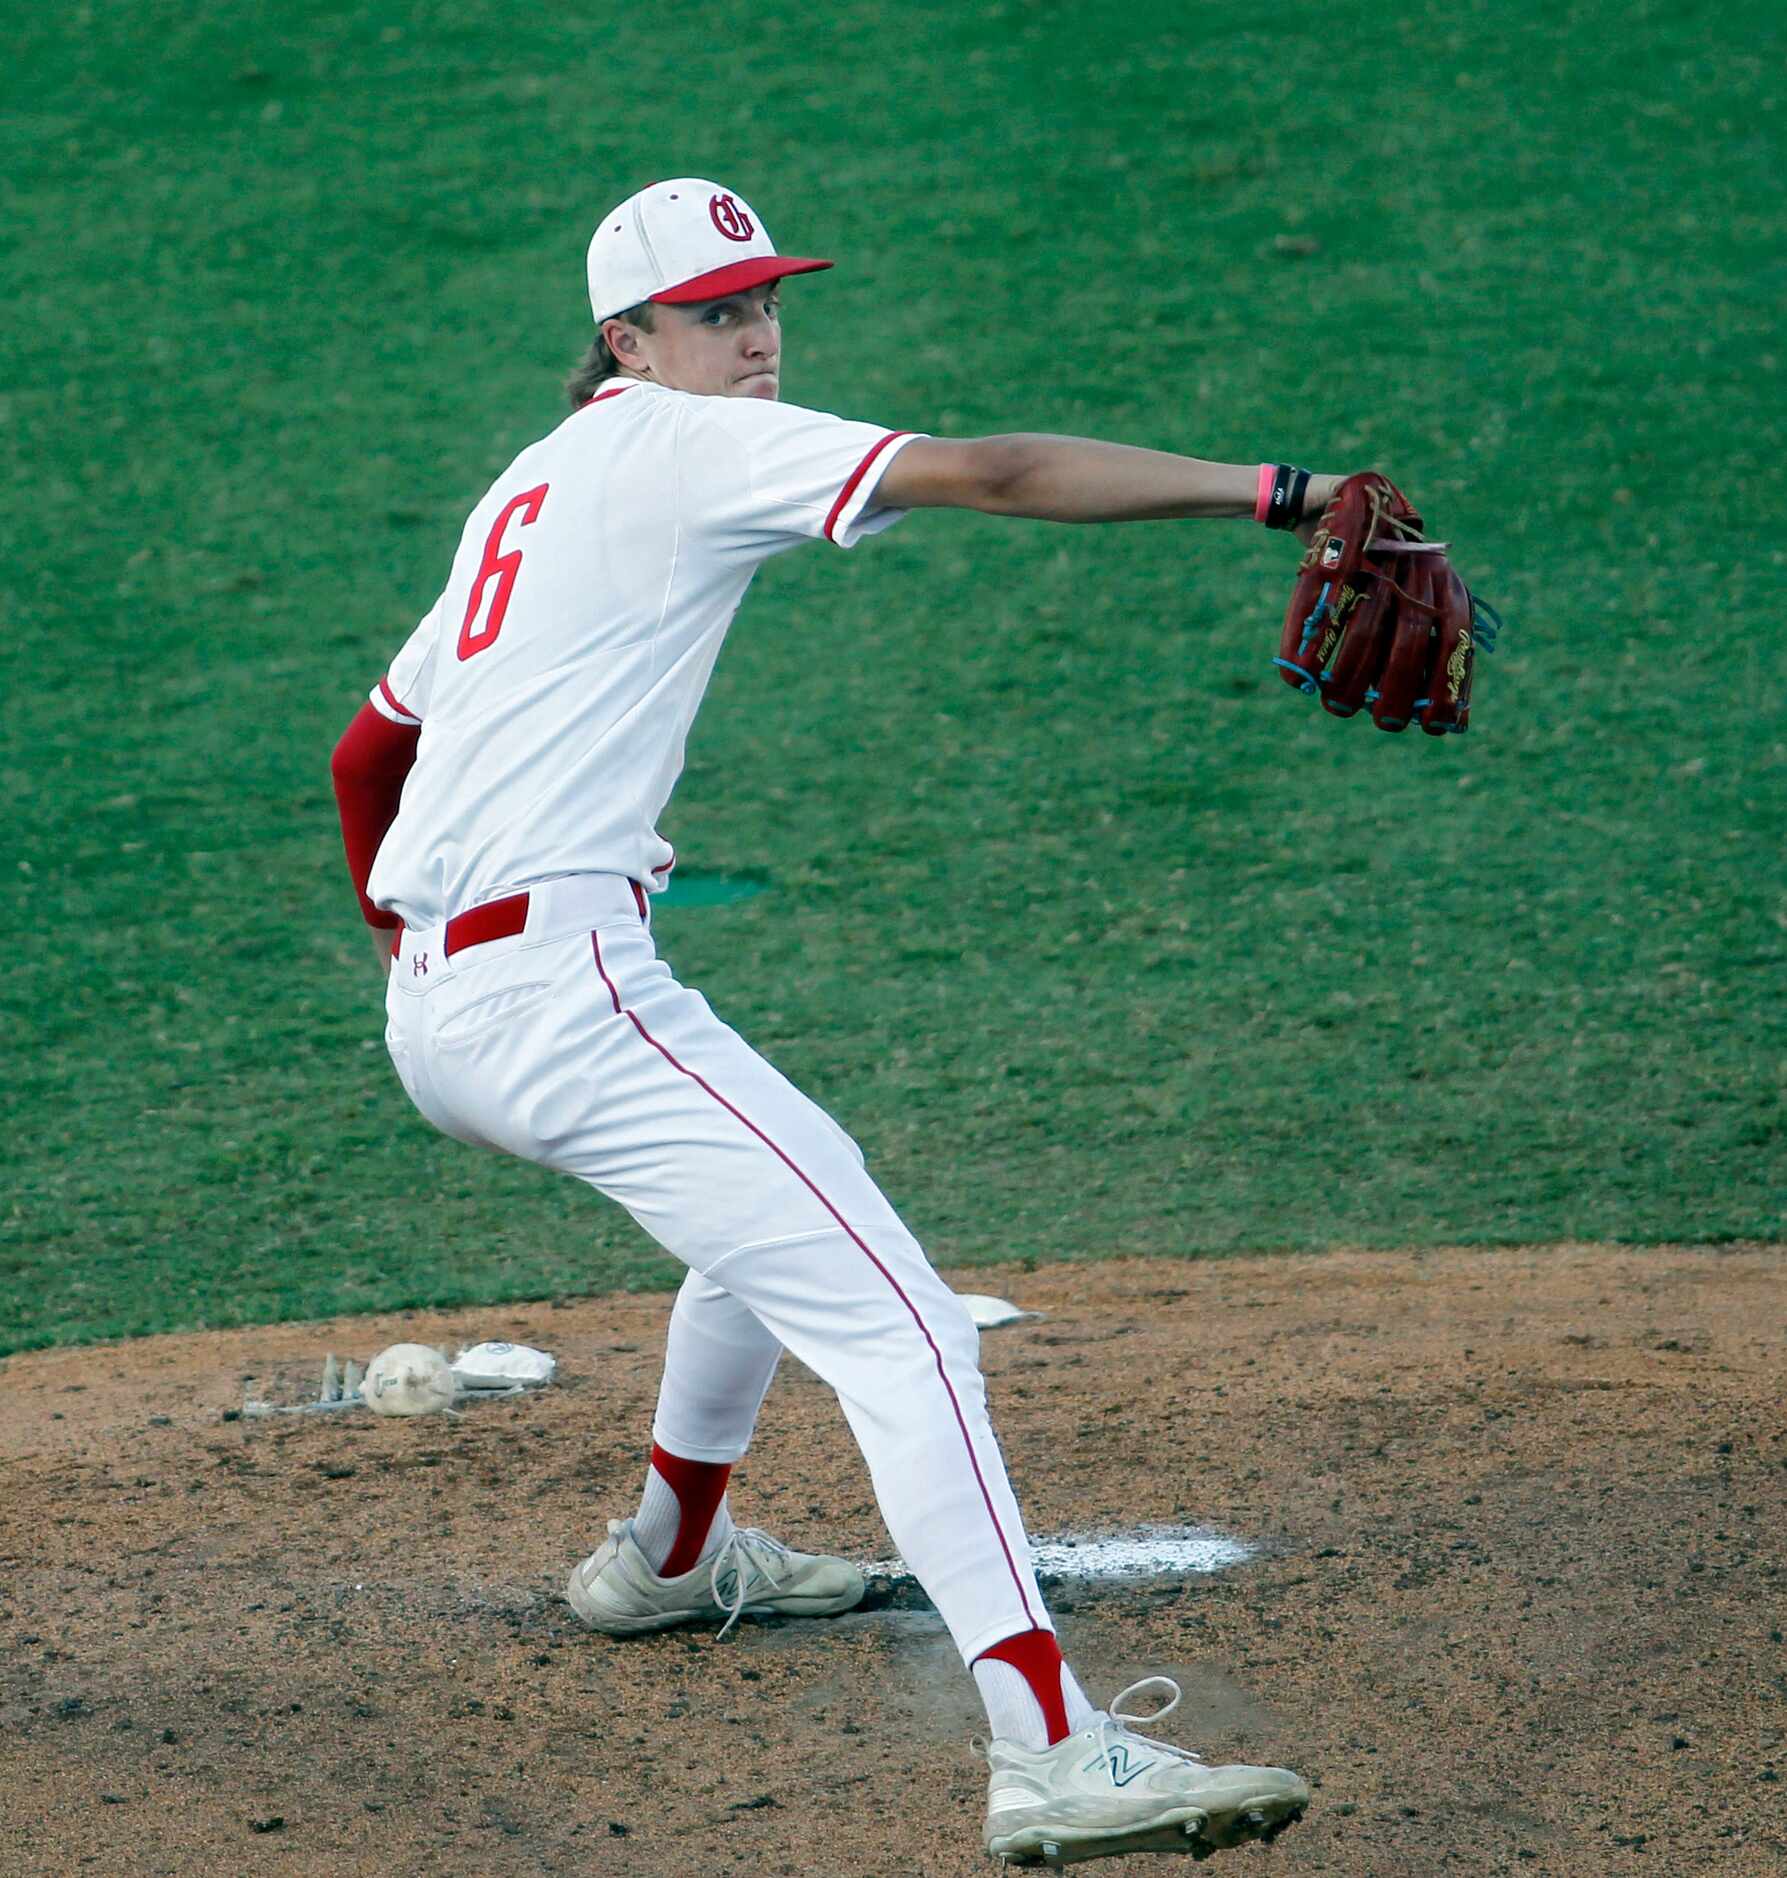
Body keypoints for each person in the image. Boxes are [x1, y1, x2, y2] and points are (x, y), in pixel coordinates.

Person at [331, 177, 1329, 1867]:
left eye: (767, 299)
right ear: (629, 341)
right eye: (717, 313)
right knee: (906, 1328)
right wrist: (1277, 492)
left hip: (455, 1008)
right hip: (563, 999)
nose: (760, 332)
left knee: (789, 1202)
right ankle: (1056, 1754)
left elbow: (367, 751)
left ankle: (666, 1560)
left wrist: (415, 945)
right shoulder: (681, 439)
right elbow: (997, 472)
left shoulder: (538, 471)